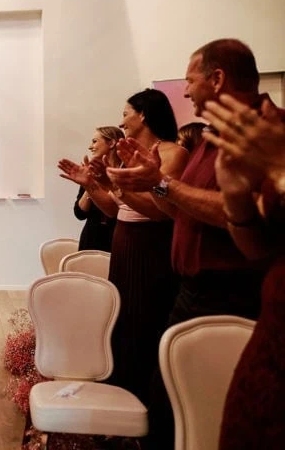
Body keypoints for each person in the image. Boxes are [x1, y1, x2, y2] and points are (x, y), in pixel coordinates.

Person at [107, 39, 271, 447]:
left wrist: (160, 183)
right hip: (191, 293)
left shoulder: (269, 134)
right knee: (167, 406)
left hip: (228, 297)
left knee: (194, 413)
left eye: (190, 80)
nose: (184, 91)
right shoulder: (209, 141)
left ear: (217, 79)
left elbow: (246, 216)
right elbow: (180, 208)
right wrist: (150, 186)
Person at [59, 89, 188, 403]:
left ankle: (145, 401)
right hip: (126, 246)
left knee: (146, 322)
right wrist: (91, 184)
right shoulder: (132, 156)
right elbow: (117, 210)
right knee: (124, 322)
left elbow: (160, 211)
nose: (122, 121)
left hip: (151, 248)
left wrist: (116, 183)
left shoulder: (172, 154)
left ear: (143, 114)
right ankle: (122, 396)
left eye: (126, 113)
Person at [201, 93, 285, 448]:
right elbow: (260, 249)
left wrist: (281, 168)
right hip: (272, 344)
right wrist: (235, 198)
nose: (187, 91)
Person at [72, 126, 123, 252]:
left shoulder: (125, 173)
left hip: (117, 240)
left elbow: (118, 212)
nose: (90, 147)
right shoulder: (91, 172)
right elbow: (80, 213)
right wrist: (89, 184)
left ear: (111, 143)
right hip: (91, 239)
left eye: (94, 141)